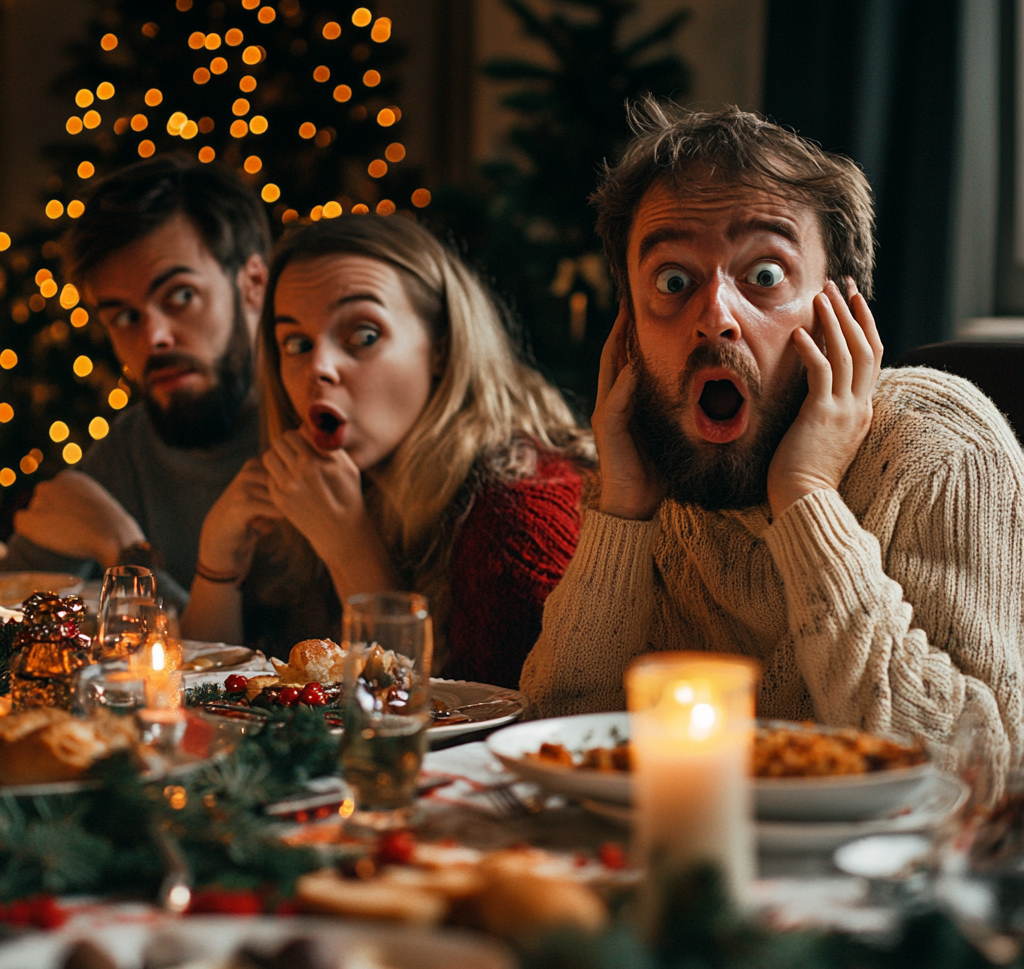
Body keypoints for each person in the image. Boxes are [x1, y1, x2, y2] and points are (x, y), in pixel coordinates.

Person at [521, 101, 1024, 775]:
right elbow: (557, 745)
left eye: (763, 276)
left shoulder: (942, 451)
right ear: (631, 330)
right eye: (673, 281)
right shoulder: (652, 455)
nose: (716, 318)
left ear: (840, 310)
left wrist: (807, 497)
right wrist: (623, 511)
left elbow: (979, 775)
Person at [181, 216, 595, 683]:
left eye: (364, 335)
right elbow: (207, 698)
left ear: (442, 346)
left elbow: (475, 732)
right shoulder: (349, 483)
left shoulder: (519, 512)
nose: (319, 367)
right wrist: (218, 564)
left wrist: (349, 547)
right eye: (296, 343)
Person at [1, 156, 269, 605]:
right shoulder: (129, 450)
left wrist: (123, 551)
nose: (154, 338)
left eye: (181, 295)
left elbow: (282, 662)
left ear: (253, 283)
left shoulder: (330, 433)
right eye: (125, 316)